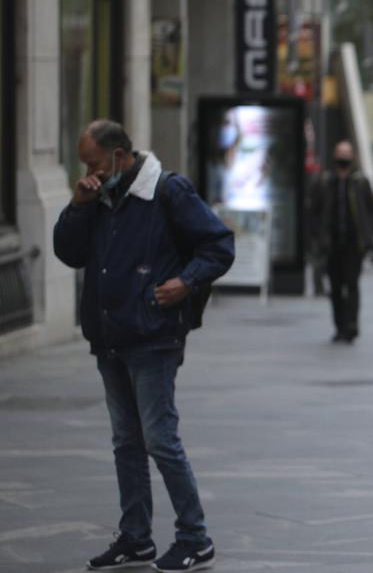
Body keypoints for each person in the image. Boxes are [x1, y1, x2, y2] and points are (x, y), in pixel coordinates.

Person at [53, 120, 234, 572]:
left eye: (94, 163)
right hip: (110, 336)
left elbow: (219, 245)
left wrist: (185, 283)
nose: (89, 173)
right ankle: (136, 537)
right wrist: (77, 206)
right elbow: (68, 253)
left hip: (153, 336)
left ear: (119, 155)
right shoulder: (98, 197)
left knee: (160, 440)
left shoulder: (168, 191)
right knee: (125, 442)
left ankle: (195, 537)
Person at [311, 141, 373, 343]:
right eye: (340, 153)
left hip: (353, 243)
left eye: (347, 153)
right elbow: (314, 211)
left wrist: (369, 234)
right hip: (331, 244)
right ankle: (339, 326)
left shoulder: (360, 182)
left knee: (352, 284)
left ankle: (352, 324)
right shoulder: (324, 182)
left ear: (353, 156)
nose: (343, 157)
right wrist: (318, 236)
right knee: (335, 286)